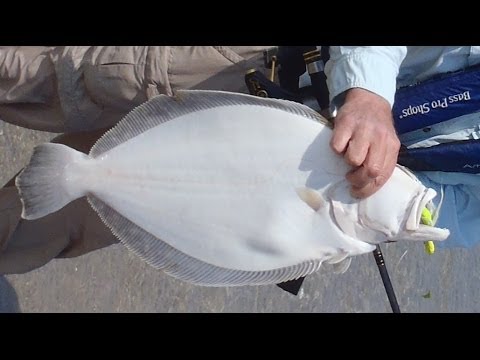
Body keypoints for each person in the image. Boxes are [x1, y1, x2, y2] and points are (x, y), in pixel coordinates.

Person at [325, 46, 480, 248]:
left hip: (337, 196)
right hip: (329, 78)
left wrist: (403, 204)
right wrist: (369, 97)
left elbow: (457, 219)